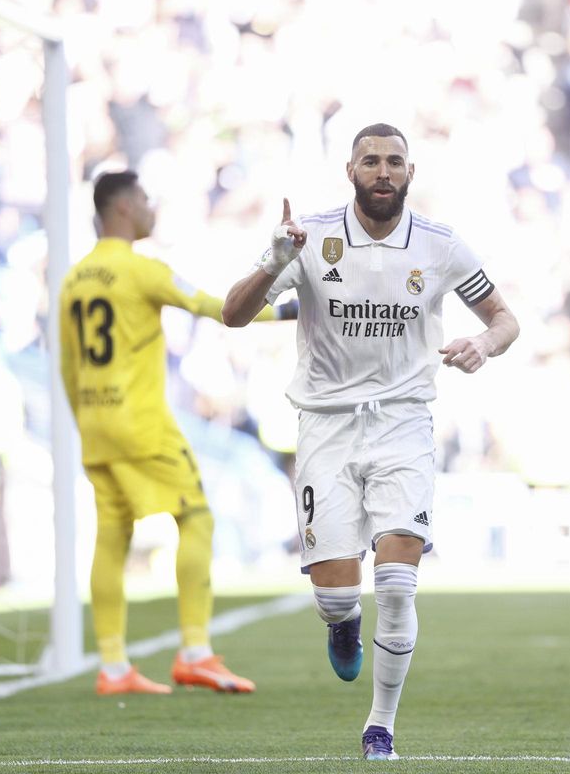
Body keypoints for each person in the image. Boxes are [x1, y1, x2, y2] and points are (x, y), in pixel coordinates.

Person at [222, 123, 520, 760]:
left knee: (396, 582)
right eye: (370, 162)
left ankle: (380, 725)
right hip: (325, 427)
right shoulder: (310, 238)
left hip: (403, 423)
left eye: (394, 162)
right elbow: (233, 313)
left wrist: (484, 345)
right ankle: (341, 624)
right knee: (336, 595)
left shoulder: (439, 245)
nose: (382, 172)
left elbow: (504, 317)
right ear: (350, 171)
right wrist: (275, 258)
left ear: (411, 173)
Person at [59, 170, 295, 696]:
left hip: (95, 426)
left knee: (112, 535)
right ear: (122, 208)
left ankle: (114, 666)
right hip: (141, 424)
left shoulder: (74, 279)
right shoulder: (142, 270)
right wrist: (288, 310)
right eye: (144, 198)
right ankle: (195, 651)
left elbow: (68, 366)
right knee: (196, 515)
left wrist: (85, 424)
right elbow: (216, 307)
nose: (150, 206)